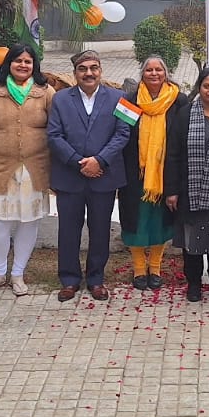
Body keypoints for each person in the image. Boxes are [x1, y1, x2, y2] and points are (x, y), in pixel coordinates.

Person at [45, 50, 129, 301]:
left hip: (103, 175)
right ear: (75, 73)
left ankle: (96, 279)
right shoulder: (60, 99)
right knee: (68, 230)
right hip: (70, 176)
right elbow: (53, 135)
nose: (89, 73)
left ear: (101, 71)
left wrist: (99, 160)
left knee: (100, 229)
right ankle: (69, 280)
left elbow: (123, 134)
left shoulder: (120, 98)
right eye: (83, 69)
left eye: (94, 68)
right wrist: (78, 162)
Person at [0, 43, 52, 297]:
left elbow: (57, 130)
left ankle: (17, 274)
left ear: (34, 65)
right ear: (9, 63)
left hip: (34, 169)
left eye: (28, 61)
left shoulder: (45, 92)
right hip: (0, 168)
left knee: (29, 222)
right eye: (18, 61)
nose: (23, 65)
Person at [117, 55, 184, 290]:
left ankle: (154, 268)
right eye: (149, 70)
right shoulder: (130, 100)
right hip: (135, 173)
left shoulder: (178, 101)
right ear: (142, 74)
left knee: (160, 222)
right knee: (136, 222)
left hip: (166, 173)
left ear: (166, 73)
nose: (154, 74)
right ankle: (138, 269)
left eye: (159, 69)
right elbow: (120, 136)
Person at [165, 67, 209, 302]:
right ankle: (193, 283)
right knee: (191, 240)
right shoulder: (185, 114)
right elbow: (172, 155)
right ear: (199, 88)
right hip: (189, 190)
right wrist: (171, 191)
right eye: (206, 86)